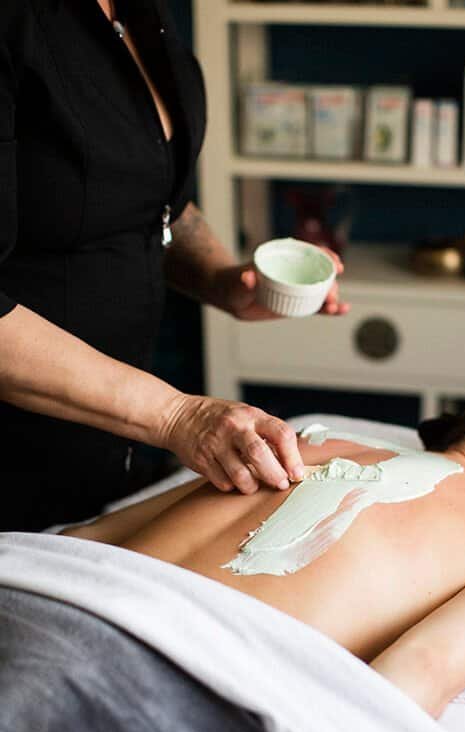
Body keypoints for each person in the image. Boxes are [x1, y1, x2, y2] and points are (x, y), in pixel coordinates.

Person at [61, 384, 465, 718]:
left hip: (50, 610)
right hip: (153, 693)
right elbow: (398, 699)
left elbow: (86, 539)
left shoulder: (314, 443)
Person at [0, 0, 347, 533]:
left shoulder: (140, 8)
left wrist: (223, 280)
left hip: (107, 450)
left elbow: (153, 198)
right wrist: (177, 415)